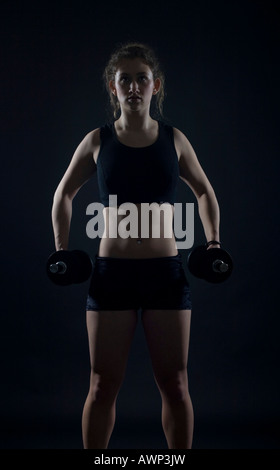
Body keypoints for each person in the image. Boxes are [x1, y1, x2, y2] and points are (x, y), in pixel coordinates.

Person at [51, 42, 221, 449]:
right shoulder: (97, 141)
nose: (132, 86)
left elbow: (205, 193)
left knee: (176, 385)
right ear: (113, 87)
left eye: (140, 78)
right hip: (112, 277)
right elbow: (62, 195)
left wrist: (213, 243)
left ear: (155, 86)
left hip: (166, 275)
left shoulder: (174, 140)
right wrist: (61, 251)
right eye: (123, 78)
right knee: (100, 384)